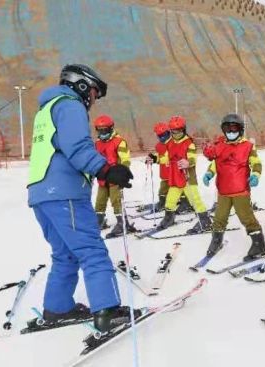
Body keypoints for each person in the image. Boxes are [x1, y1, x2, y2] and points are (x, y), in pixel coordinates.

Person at [27, 64, 139, 332]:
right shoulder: (70, 105)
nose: (93, 98)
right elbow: (77, 147)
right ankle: (108, 311)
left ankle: (57, 308)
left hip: (41, 194)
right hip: (65, 193)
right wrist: (107, 170)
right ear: (80, 84)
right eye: (93, 91)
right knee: (92, 250)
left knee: (65, 254)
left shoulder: (47, 109)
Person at [202, 113, 265, 260]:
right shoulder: (220, 146)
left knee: (247, 218)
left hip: (240, 191)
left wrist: (256, 175)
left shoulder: (248, 146)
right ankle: (216, 240)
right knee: (219, 218)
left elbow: (256, 163)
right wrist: (209, 174)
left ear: (240, 129)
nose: (231, 132)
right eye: (227, 129)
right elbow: (215, 164)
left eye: (234, 128)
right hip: (224, 191)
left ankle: (259, 243)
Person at [153, 116, 211, 233]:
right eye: (174, 131)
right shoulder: (170, 143)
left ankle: (205, 221)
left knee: (195, 200)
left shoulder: (189, 143)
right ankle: (169, 218)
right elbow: (165, 158)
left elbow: (193, 158)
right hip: (175, 177)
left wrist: (188, 162)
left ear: (183, 129)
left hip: (187, 177)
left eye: (178, 130)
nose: (176, 133)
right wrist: (154, 158)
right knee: (170, 200)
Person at [93, 114, 136, 236]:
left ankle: (122, 223)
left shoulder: (119, 142)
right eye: (99, 130)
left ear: (111, 128)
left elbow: (125, 159)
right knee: (100, 201)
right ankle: (99, 221)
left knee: (115, 200)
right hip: (102, 177)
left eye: (104, 130)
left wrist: (123, 171)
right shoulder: (97, 143)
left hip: (115, 177)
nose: (102, 132)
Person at [147, 121, 172, 212]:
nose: (162, 137)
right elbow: (159, 155)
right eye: (159, 135)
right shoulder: (159, 145)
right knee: (163, 189)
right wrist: (153, 158)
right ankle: (162, 202)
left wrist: (157, 159)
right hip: (165, 173)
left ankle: (184, 202)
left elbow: (170, 157)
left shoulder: (174, 143)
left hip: (174, 172)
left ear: (168, 132)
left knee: (177, 188)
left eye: (164, 135)